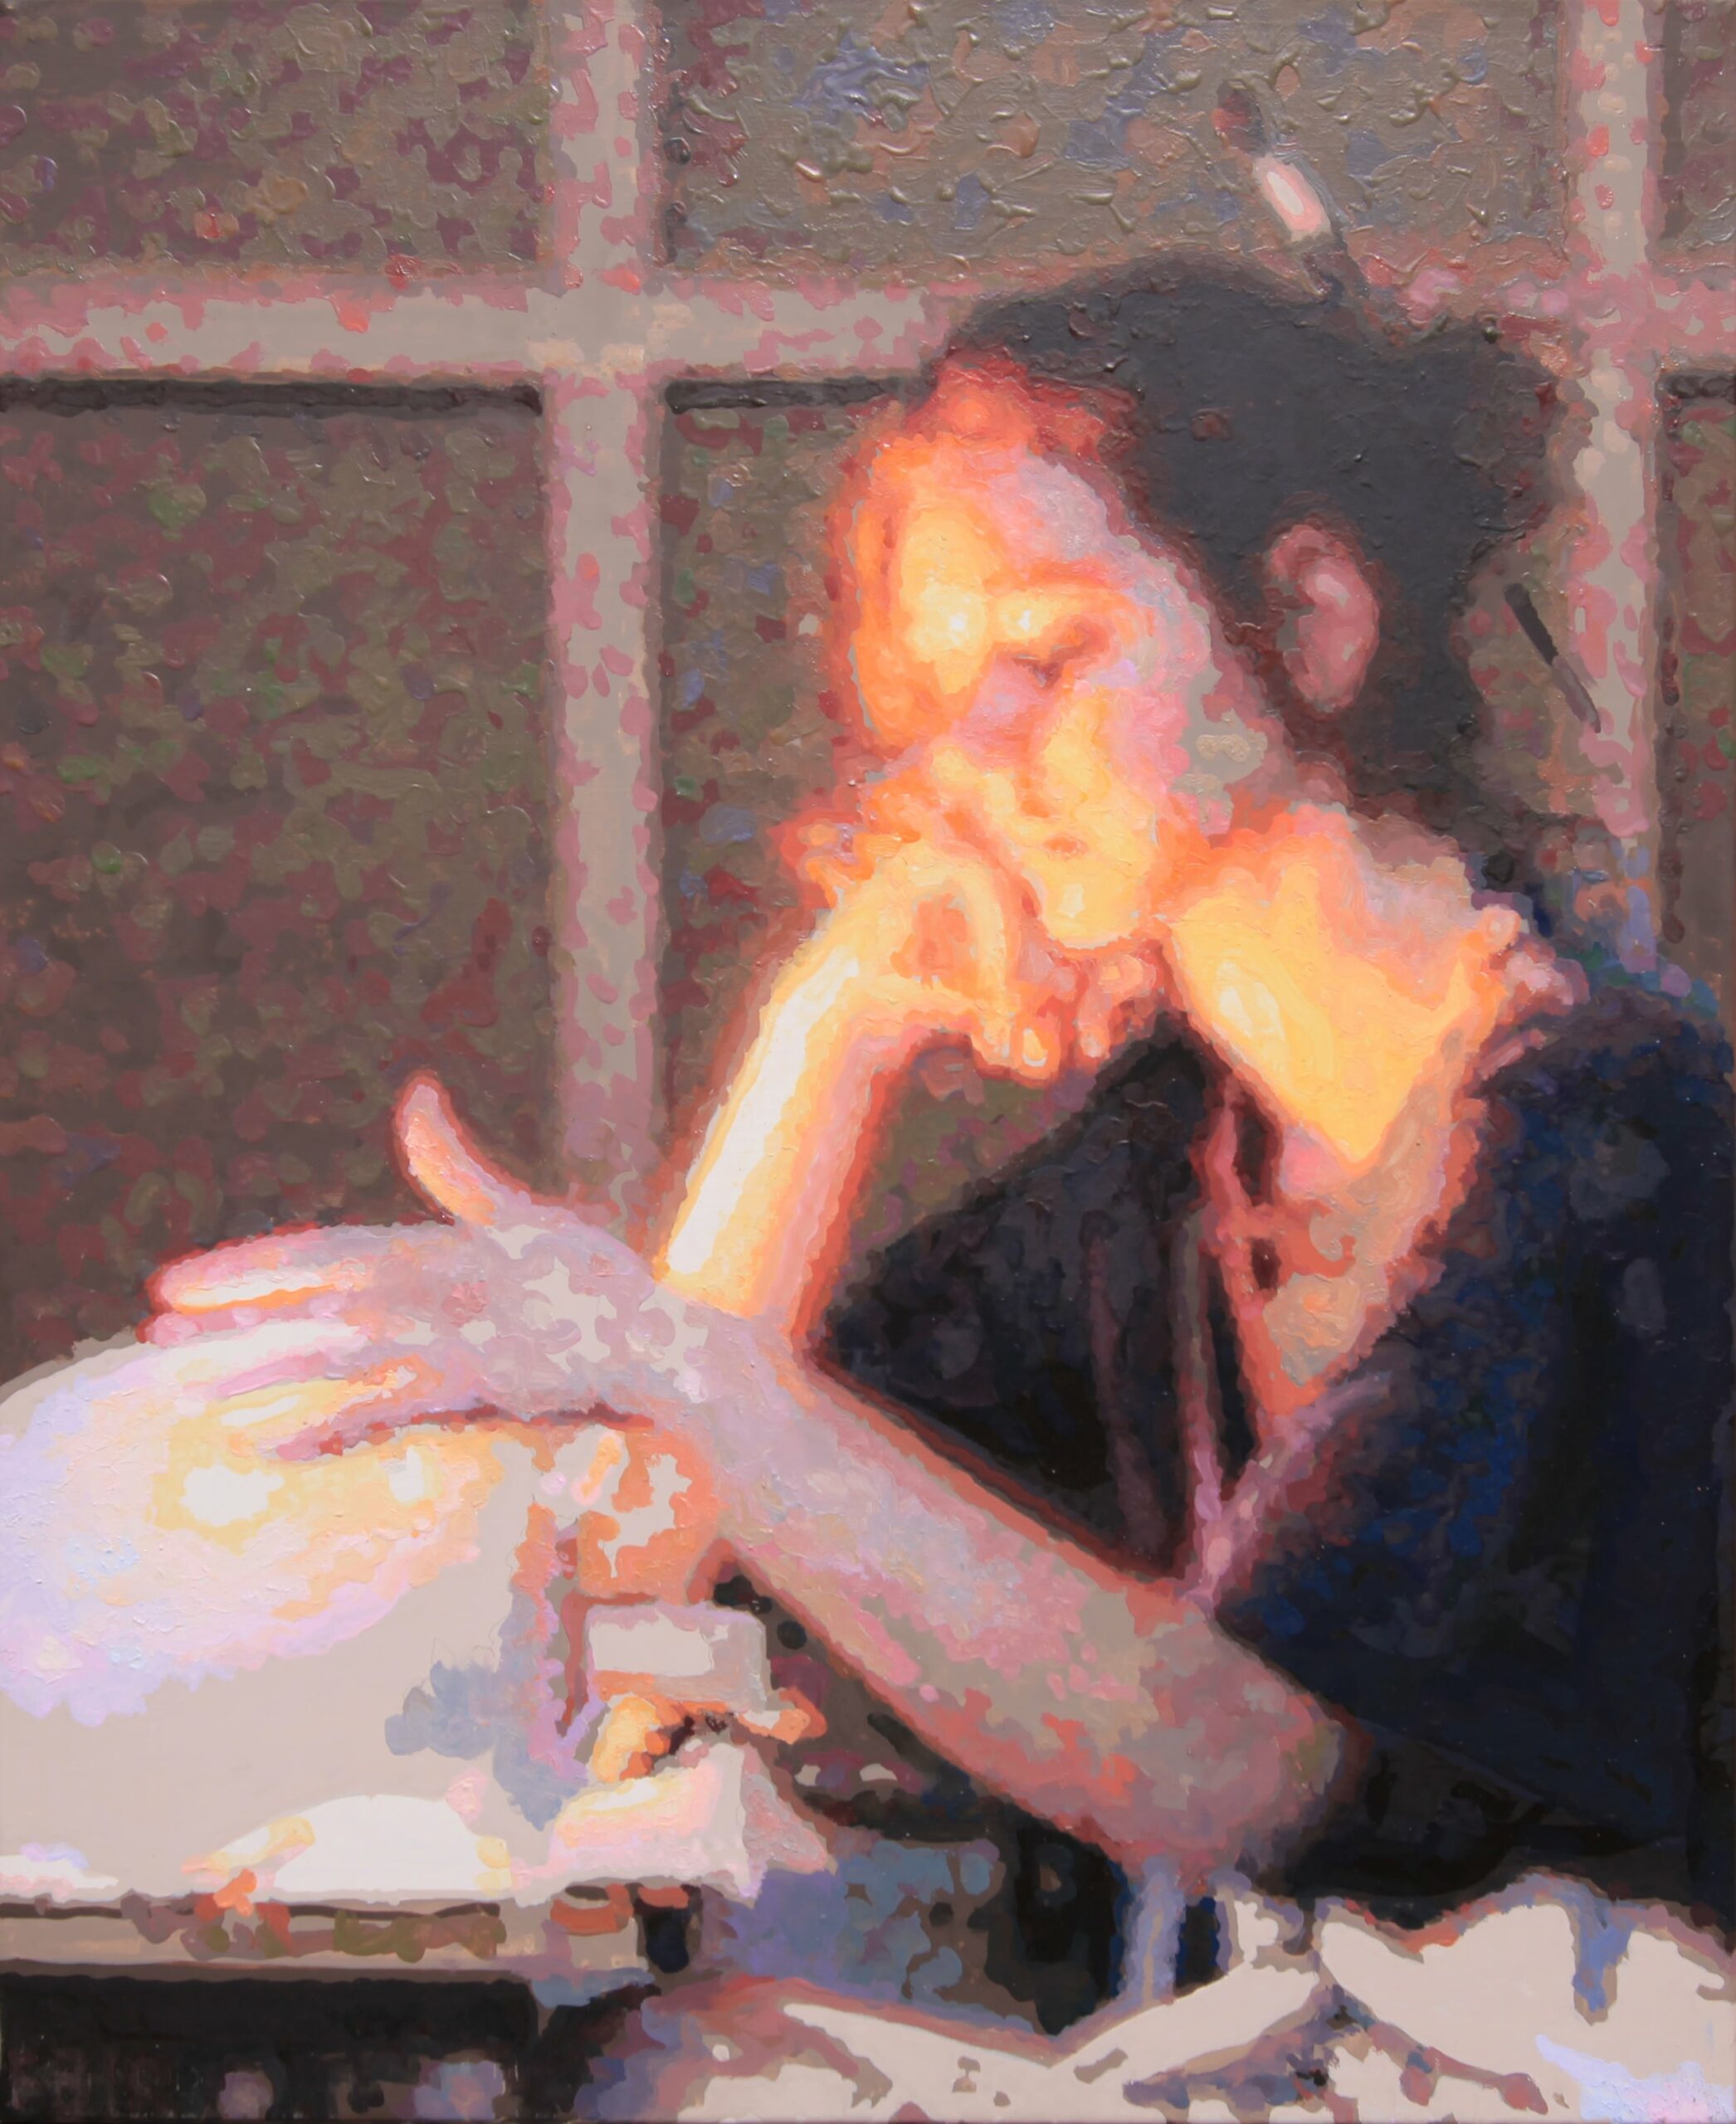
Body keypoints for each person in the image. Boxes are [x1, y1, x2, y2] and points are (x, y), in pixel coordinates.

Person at [2, 268, 1729, 1963]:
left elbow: (1245, 1768)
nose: (967, 756)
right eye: (931, 697)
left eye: (1045, 656)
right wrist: (821, 1038)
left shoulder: (1607, 1133)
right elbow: (661, 1541)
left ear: (1313, 620)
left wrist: (676, 1359)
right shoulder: (1178, 1162)